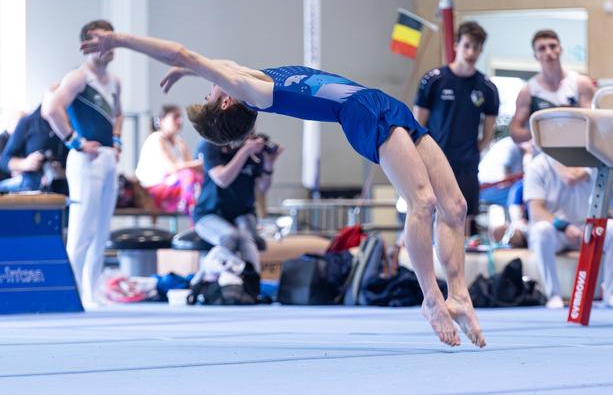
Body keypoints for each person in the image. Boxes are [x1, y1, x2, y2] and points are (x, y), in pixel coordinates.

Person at [80, 29, 486, 348]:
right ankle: (432, 299)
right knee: (423, 202)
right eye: (209, 91)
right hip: (361, 114)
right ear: (225, 102)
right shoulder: (250, 90)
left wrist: (190, 70)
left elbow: (201, 61)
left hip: (380, 102)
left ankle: (460, 296)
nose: (210, 84)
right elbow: (182, 53)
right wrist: (119, 40)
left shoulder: (250, 77)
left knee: (455, 205)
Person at [42, 19, 123, 307]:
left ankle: (93, 290)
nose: (109, 46)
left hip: (107, 158)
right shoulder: (78, 78)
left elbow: (119, 114)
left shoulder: (114, 82)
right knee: (82, 229)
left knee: (101, 230)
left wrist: (117, 141)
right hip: (85, 159)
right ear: (86, 43)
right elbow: (50, 109)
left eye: (112, 39)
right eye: (103, 39)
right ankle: (70, 291)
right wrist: (74, 140)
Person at [413, 21, 500, 236]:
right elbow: (417, 124)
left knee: (464, 217)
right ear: (457, 45)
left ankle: (462, 265)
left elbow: (488, 131)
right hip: (434, 160)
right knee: (427, 212)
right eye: (467, 45)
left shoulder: (487, 88)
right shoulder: (433, 80)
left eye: (476, 48)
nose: (471, 52)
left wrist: (475, 149)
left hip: (466, 164)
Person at [523, 153, 613, 310]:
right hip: (556, 230)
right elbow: (536, 211)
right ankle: (554, 295)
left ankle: (610, 294)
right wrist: (563, 226)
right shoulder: (538, 166)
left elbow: (604, 204)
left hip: (587, 228)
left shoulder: (594, 163)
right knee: (540, 231)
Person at [193, 133, 280, 273]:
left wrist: (269, 163)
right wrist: (245, 151)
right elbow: (222, 180)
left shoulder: (254, 154)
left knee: (246, 240)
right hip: (209, 214)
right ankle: (204, 278)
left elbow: (262, 188)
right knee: (230, 236)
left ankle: (250, 285)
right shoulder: (210, 144)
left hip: (243, 213)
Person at [510, 29, 595, 143]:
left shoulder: (581, 83)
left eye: (553, 46)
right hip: (542, 153)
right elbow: (515, 132)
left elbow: (592, 123)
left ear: (560, 49)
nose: (549, 52)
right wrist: (541, 133)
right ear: (536, 56)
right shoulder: (528, 91)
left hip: (575, 148)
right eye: (542, 48)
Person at [135, 104, 203, 214]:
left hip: (175, 188)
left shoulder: (180, 142)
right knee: (188, 176)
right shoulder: (156, 139)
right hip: (152, 192)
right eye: (175, 117)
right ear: (162, 120)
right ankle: (195, 215)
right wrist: (198, 164)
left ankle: (201, 212)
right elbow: (172, 168)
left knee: (200, 178)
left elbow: (192, 168)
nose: (180, 121)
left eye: (180, 117)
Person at [0, 104, 68, 194]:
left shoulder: (68, 124)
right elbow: (4, 160)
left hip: (61, 189)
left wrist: (60, 172)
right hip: (29, 186)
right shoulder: (28, 123)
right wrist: (24, 164)